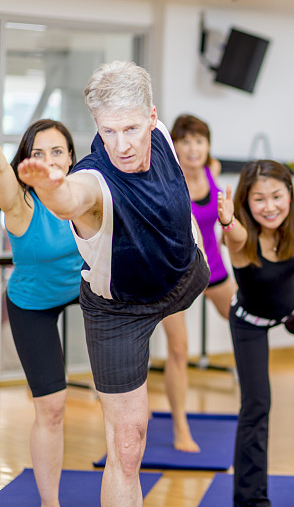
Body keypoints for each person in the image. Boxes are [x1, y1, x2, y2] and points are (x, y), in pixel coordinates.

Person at [17, 61, 210, 507]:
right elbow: (73, 197)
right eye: (108, 132)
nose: (121, 145)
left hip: (183, 276)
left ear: (152, 116)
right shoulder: (94, 179)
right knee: (127, 445)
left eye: (130, 128)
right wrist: (51, 190)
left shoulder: (161, 134)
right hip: (120, 310)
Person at [217, 159, 294, 507]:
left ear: (289, 194)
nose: (270, 206)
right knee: (257, 406)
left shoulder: (289, 227)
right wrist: (228, 221)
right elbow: (234, 235)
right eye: (258, 199)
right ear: (245, 202)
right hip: (251, 323)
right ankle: (251, 499)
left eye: (276, 196)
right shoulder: (244, 239)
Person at [1, 119, 82, 507]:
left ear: (70, 158)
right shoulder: (20, 201)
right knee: (51, 407)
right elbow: (3, 175)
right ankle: (50, 503)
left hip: (85, 290)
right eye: (37, 152)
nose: (48, 160)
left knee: (121, 392)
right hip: (32, 302)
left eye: (57, 151)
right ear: (25, 162)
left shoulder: (85, 189)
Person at [159, 114, 237, 452]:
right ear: (175, 146)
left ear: (208, 146)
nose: (193, 148)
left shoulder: (212, 170)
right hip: (175, 274)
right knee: (178, 350)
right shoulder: (166, 179)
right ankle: (180, 429)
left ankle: (254, 404)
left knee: (245, 316)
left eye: (199, 141)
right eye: (186, 141)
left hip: (214, 268)